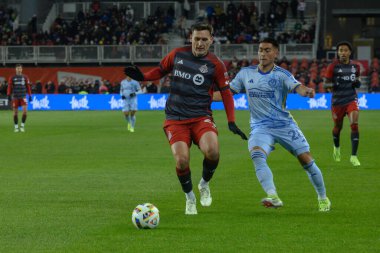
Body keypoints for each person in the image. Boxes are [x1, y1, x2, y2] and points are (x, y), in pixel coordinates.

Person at [124, 22, 247, 215]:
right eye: (196, 39)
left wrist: (231, 120)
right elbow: (159, 70)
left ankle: (204, 184)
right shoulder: (177, 55)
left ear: (211, 40)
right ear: (191, 38)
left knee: (213, 152)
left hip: (201, 117)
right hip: (175, 118)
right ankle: (190, 198)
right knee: (182, 161)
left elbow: (226, 93)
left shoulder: (216, 65)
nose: (199, 43)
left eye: (204, 39)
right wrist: (143, 77)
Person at [215, 38, 331, 212]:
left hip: (284, 125)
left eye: (267, 50)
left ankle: (323, 198)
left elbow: (297, 87)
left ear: (276, 53)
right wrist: (202, 95)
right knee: (257, 156)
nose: (263, 53)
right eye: (261, 50)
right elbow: (226, 94)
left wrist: (305, 91)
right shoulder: (246, 74)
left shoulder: (282, 74)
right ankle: (273, 196)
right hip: (260, 127)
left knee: (306, 160)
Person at [324, 41, 361, 166]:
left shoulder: (355, 66)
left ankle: (354, 156)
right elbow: (326, 84)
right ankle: (337, 148)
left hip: (351, 99)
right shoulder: (332, 67)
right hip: (337, 101)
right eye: (340, 50)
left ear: (350, 52)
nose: (343, 53)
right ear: (338, 53)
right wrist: (333, 86)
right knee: (338, 127)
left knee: (354, 124)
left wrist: (358, 83)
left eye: (345, 50)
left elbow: (357, 79)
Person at [7, 64, 32, 133]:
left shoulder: (25, 77)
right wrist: (8, 94)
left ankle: (22, 126)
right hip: (15, 97)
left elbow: (28, 87)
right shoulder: (12, 77)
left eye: (20, 68)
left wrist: (30, 95)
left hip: (23, 96)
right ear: (15, 69)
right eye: (17, 68)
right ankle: (16, 127)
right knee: (15, 113)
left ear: (22, 69)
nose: (19, 70)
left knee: (25, 112)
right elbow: (9, 87)